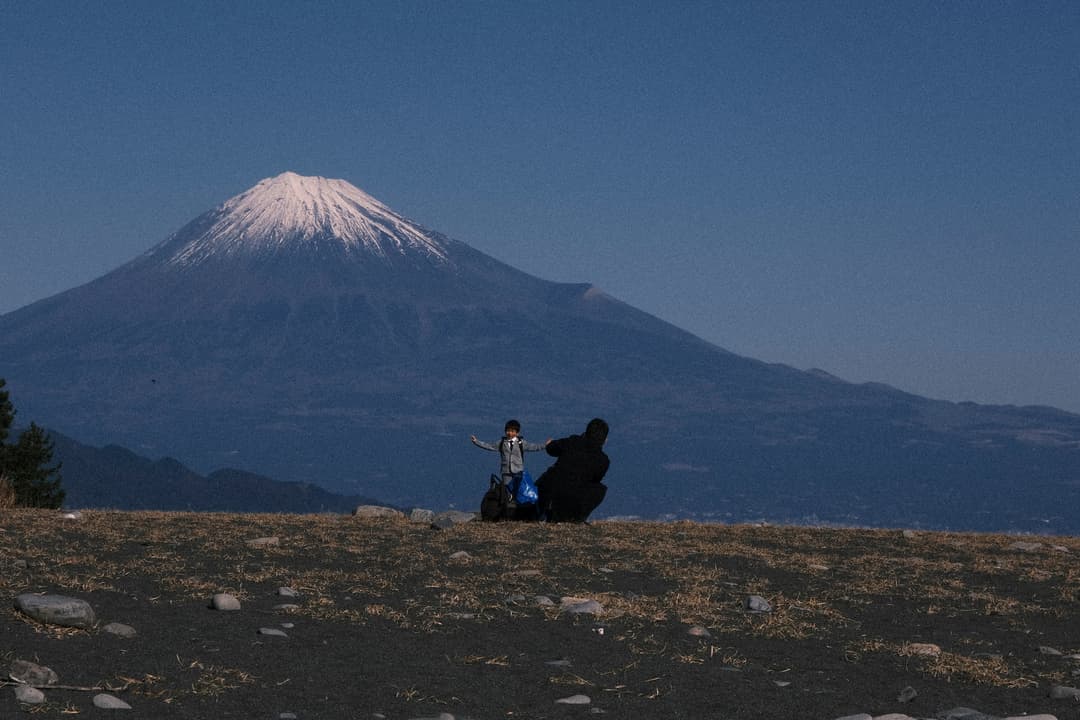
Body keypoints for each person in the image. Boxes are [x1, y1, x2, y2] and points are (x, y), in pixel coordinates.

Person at [536, 418, 610, 523]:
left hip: (551, 494)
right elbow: (596, 479)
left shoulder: (572, 441)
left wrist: (549, 444)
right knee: (600, 489)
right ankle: (577, 518)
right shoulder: (603, 460)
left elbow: (551, 449)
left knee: (552, 474)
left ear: (586, 431)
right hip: (575, 503)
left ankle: (545, 511)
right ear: (604, 440)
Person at [470, 419, 550, 490]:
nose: (509, 433)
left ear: (517, 433)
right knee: (507, 490)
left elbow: (534, 447)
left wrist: (545, 445)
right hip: (506, 471)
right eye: (508, 430)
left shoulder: (521, 443)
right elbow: (489, 446)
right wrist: (476, 442)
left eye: (512, 431)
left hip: (518, 470)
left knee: (518, 490)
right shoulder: (501, 443)